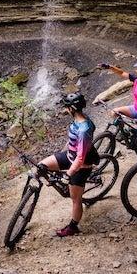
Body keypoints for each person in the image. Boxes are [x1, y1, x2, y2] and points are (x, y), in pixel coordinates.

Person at [34, 92, 99, 237]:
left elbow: (80, 158)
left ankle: (73, 227)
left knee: (75, 199)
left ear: (72, 109)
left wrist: (68, 174)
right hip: (70, 156)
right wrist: (61, 155)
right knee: (41, 166)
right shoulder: (79, 119)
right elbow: (72, 143)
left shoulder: (83, 130)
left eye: (67, 107)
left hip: (80, 166)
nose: (65, 109)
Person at [98, 60, 137, 158]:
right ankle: (125, 133)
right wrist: (109, 66)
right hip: (136, 109)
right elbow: (122, 73)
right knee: (114, 112)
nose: (136, 71)